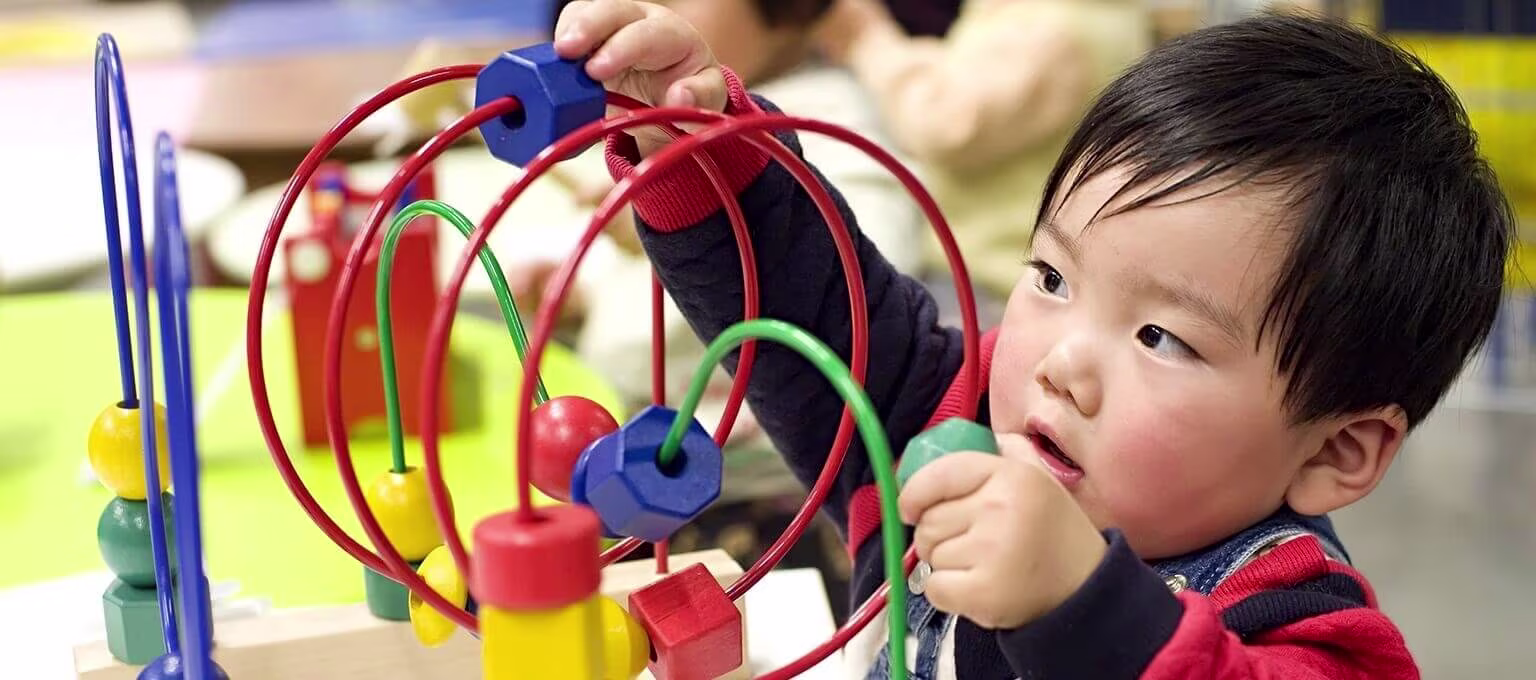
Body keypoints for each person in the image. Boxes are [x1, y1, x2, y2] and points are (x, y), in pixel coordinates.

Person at [552, 2, 1512, 679]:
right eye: (1053, 279)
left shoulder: (1295, 624)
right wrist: (702, 150)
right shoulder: (943, 424)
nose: (1058, 361)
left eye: (1159, 336)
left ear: (1337, 448)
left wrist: (1083, 608)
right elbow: (813, 316)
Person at [545, 0, 924, 440]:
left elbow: (865, 290)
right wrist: (587, 297)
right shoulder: (650, 129)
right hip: (635, 416)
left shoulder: (832, 117)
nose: (645, 10)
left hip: (752, 453)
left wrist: (698, 228)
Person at [815, 0, 1152, 302]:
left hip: (988, 275)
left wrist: (870, 39)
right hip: (997, 266)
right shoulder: (1080, 17)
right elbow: (966, 74)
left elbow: (944, 122)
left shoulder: (1047, 29)